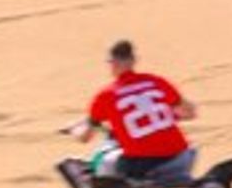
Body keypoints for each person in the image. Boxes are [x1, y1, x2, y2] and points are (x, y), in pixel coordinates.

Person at [68, 39, 197, 180]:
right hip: (180, 155)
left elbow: (85, 137)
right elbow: (190, 112)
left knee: (106, 168)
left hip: (142, 163)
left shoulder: (105, 96)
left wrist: (74, 131)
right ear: (134, 60)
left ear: (112, 64)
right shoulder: (157, 82)